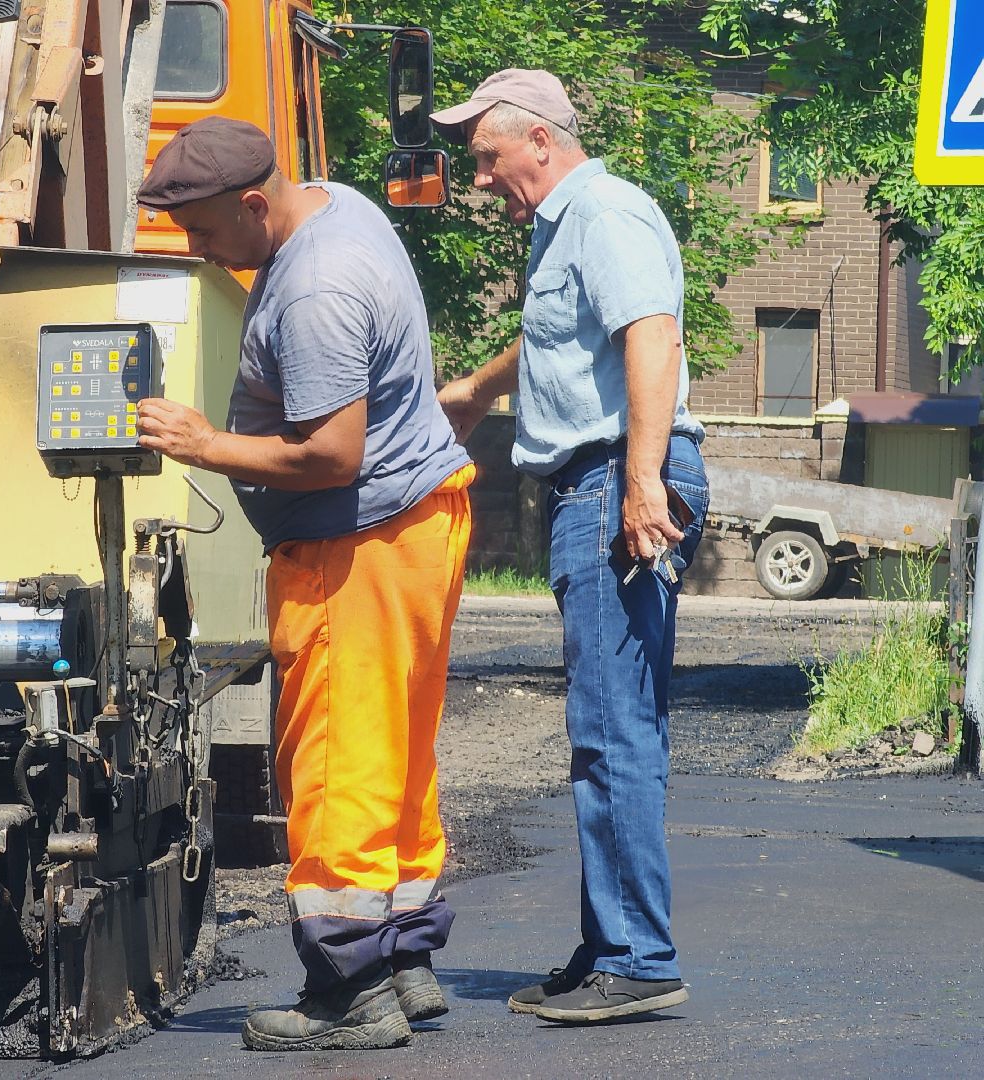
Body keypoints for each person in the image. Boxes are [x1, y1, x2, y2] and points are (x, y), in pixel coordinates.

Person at [133, 115, 475, 1051]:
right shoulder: (342, 207)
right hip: (414, 525)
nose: (198, 251)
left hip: (354, 544)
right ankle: (404, 959)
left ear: (254, 203)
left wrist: (206, 445)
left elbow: (331, 453)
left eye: (203, 232)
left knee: (335, 763)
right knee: (396, 756)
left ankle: (348, 989)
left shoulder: (315, 286)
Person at [429, 70, 711, 1023]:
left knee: (610, 730)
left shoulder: (607, 213)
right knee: (608, 725)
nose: (480, 179)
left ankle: (637, 958)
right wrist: (476, 390)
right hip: (594, 484)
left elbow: (651, 336)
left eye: (487, 157)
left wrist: (640, 479)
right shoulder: (566, 227)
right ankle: (611, 947)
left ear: (539, 142)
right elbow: (565, 339)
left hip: (612, 482)